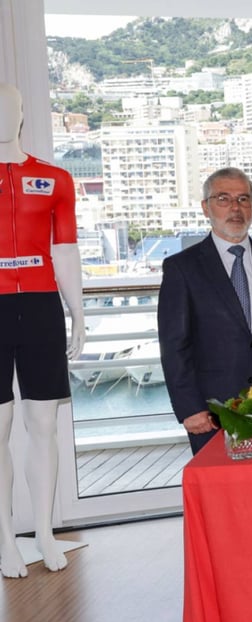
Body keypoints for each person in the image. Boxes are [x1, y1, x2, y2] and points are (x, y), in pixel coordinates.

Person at [157, 168, 252, 455]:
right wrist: (189, 407)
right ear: (206, 207)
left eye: (243, 199)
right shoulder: (182, 268)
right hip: (212, 412)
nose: (235, 207)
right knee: (221, 483)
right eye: (223, 198)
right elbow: (174, 346)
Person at [0, 83, 86, 577]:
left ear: (21, 113)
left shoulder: (54, 179)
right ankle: (5, 539)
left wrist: (78, 312)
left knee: (44, 425)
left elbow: (65, 250)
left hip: (39, 305)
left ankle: (45, 532)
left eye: (9, 106)